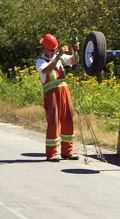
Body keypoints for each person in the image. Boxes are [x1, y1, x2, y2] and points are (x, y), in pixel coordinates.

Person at [36, 34, 80, 162]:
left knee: (68, 121)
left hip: (64, 94)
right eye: (52, 50)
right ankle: (52, 153)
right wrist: (59, 56)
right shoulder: (41, 61)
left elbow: (74, 60)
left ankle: (67, 152)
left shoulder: (58, 57)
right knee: (54, 123)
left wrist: (75, 50)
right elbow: (46, 71)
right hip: (51, 96)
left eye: (55, 49)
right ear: (45, 49)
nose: (54, 51)